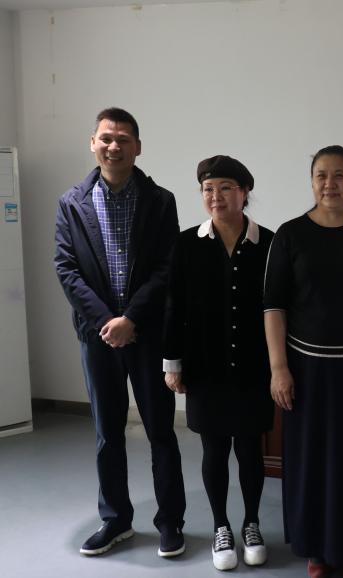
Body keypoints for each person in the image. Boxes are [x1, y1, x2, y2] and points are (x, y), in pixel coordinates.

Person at [54, 107, 186, 558]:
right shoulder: (71, 203)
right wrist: (106, 322)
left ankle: (170, 522)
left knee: (161, 432)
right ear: (93, 143)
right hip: (98, 338)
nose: (114, 146)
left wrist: (131, 319)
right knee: (107, 433)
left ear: (138, 147)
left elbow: (168, 267)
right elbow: (66, 269)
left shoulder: (160, 200)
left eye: (123, 139)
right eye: (106, 138)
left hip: (147, 334)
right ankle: (115, 520)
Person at [263, 145, 343, 578]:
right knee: (312, 462)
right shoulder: (290, 235)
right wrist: (279, 368)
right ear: (312, 180)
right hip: (307, 371)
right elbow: (274, 306)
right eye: (321, 175)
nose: (330, 184)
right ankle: (316, 549)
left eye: (340, 175)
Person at [162, 155, 274, 571]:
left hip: (254, 366)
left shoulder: (269, 243)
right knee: (213, 448)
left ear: (244, 192)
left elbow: (280, 308)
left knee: (249, 448)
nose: (216, 196)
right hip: (204, 366)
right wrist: (172, 363)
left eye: (226, 187)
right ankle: (221, 526)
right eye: (208, 189)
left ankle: (251, 523)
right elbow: (173, 306)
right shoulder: (186, 243)